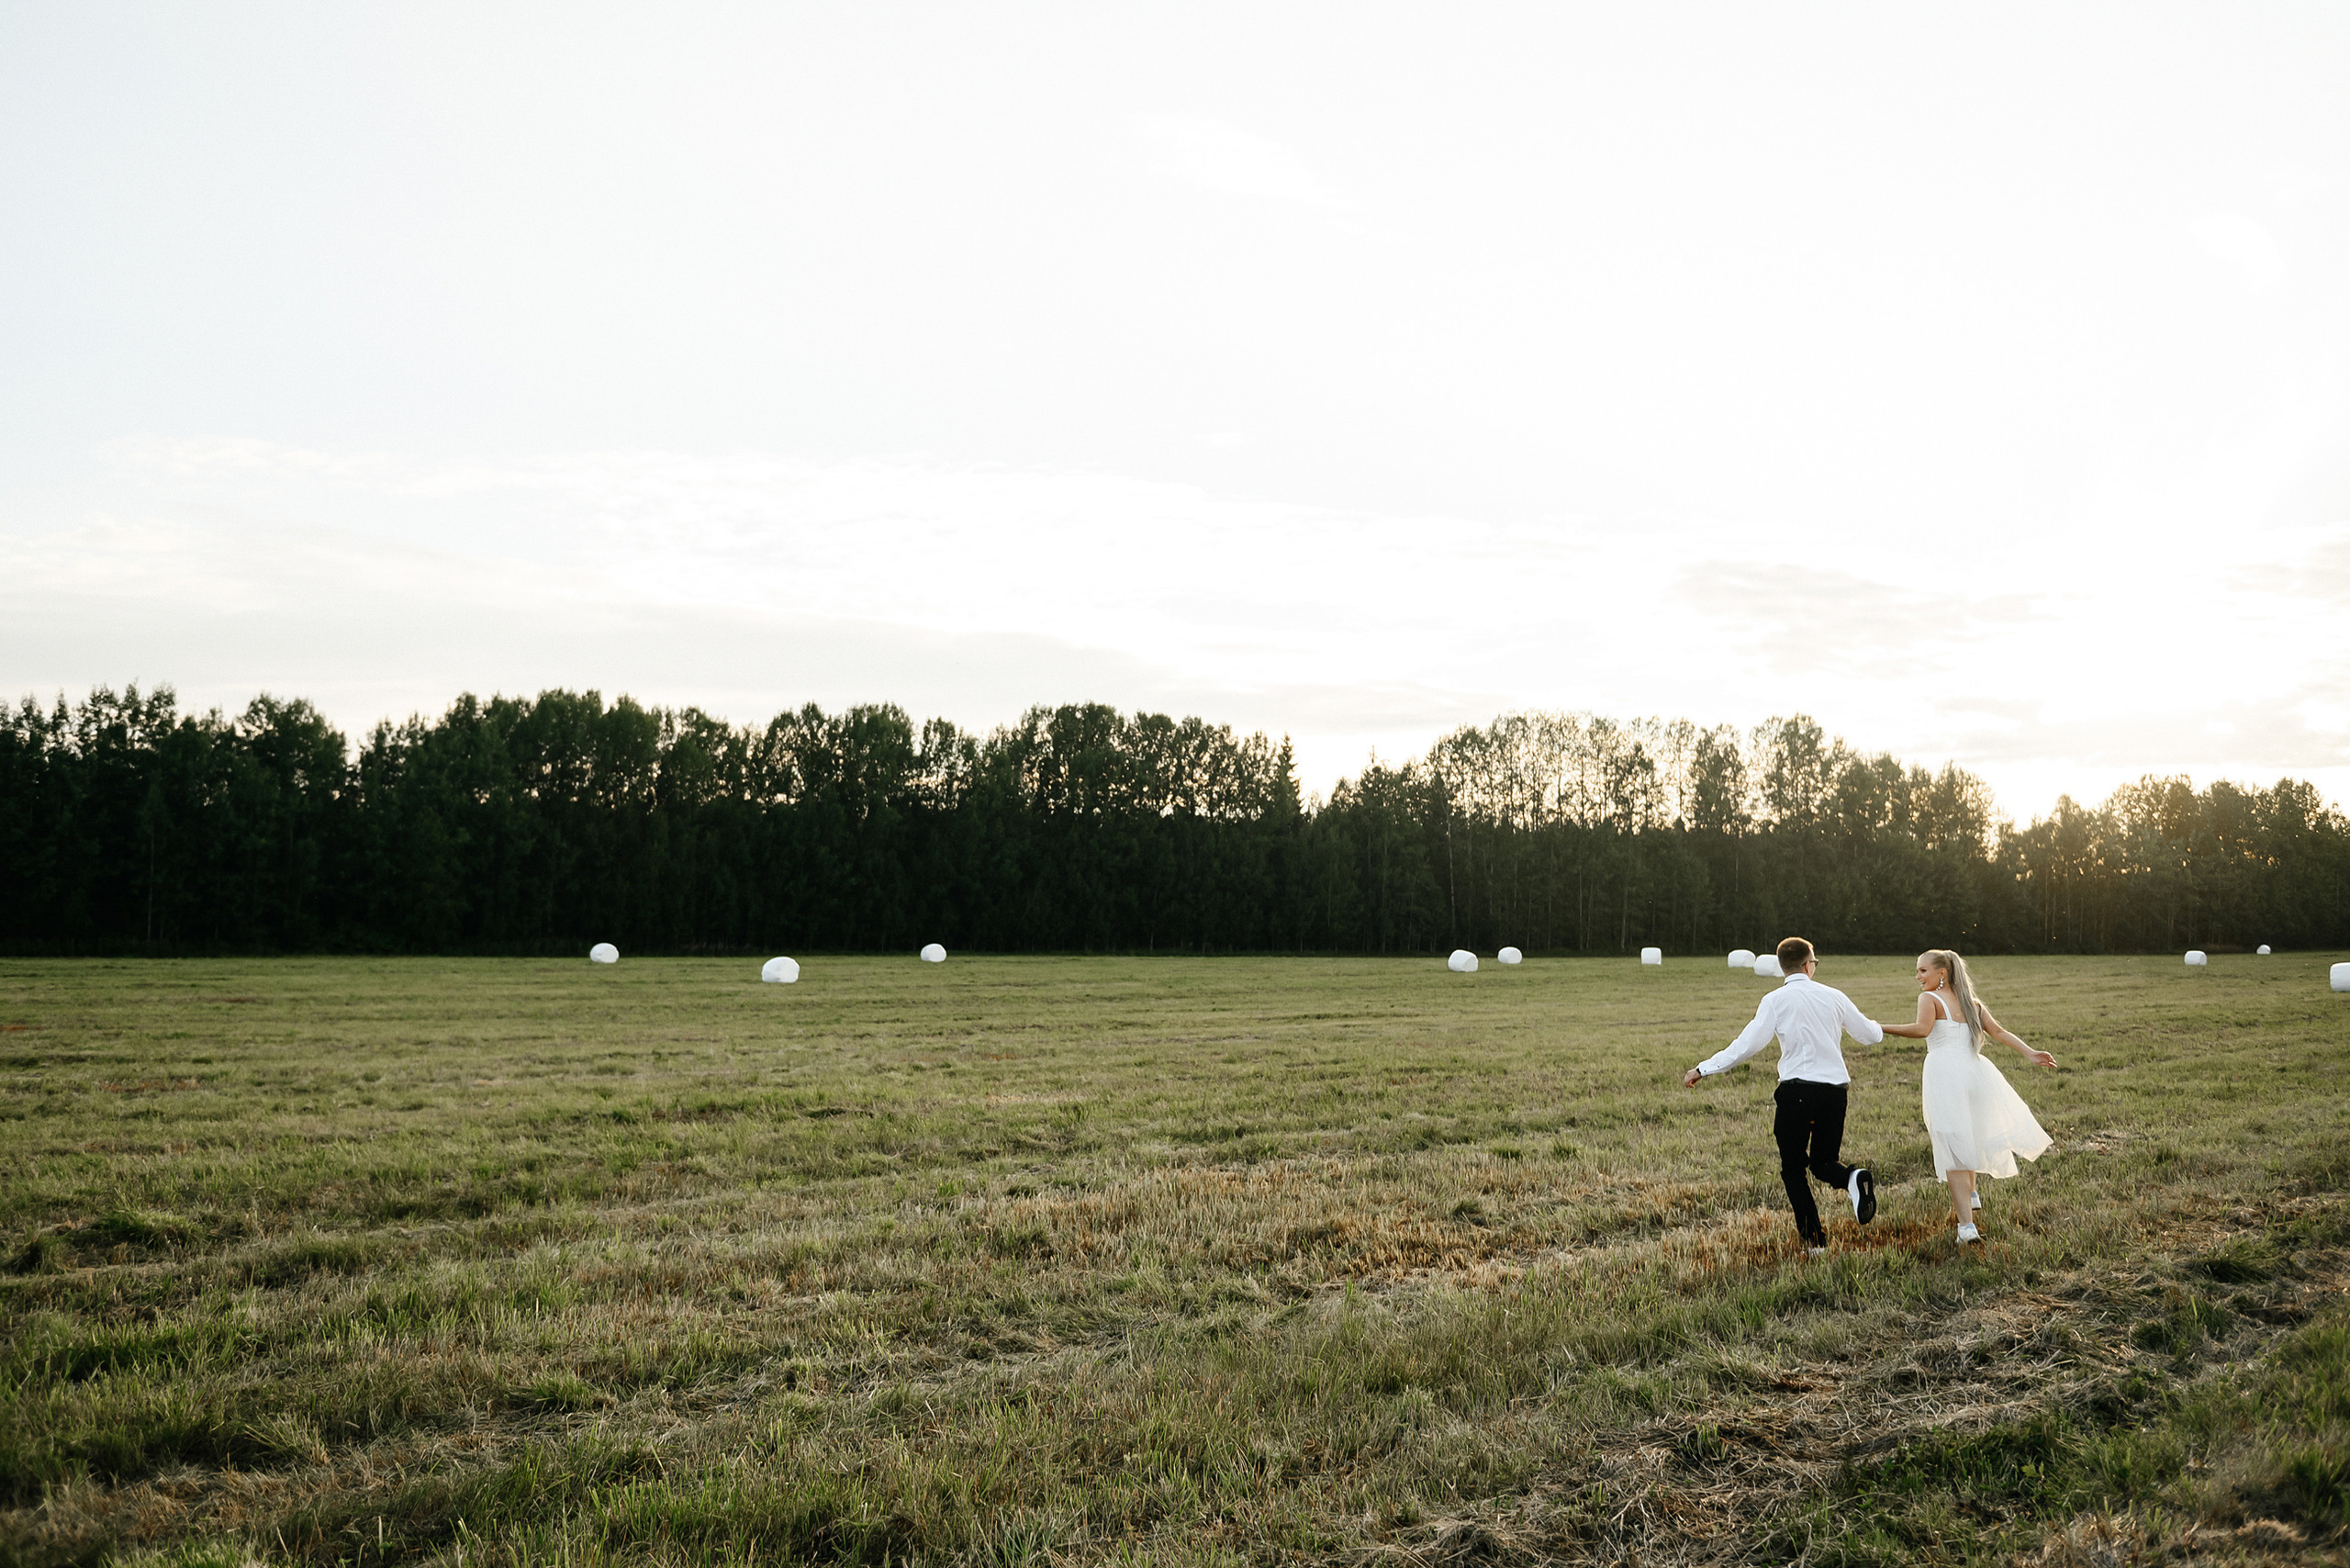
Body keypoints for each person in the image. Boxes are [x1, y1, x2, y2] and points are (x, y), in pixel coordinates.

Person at [1682, 936, 1882, 1252]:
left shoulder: (1775, 1000)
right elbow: (1869, 1035)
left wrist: (1704, 1068)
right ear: (1807, 964)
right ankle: (1852, 1177)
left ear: (1780, 966)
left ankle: (1815, 1242)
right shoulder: (1834, 996)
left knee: (1793, 1168)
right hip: (1835, 1092)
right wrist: (1880, 1027)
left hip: (1797, 1092)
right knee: (1824, 1162)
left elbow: (1746, 1045)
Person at [1876, 949, 2054, 1245]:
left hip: (1946, 1073)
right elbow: (1998, 1032)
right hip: (1976, 1072)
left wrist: (1879, 1028)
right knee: (1966, 1136)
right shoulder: (1973, 1004)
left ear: (1941, 974)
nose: (1917, 977)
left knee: (1953, 1147)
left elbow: (1922, 1030)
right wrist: (2031, 1053)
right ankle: (1971, 1196)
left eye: (1922, 971)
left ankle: (1966, 1229)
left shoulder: (1929, 999)